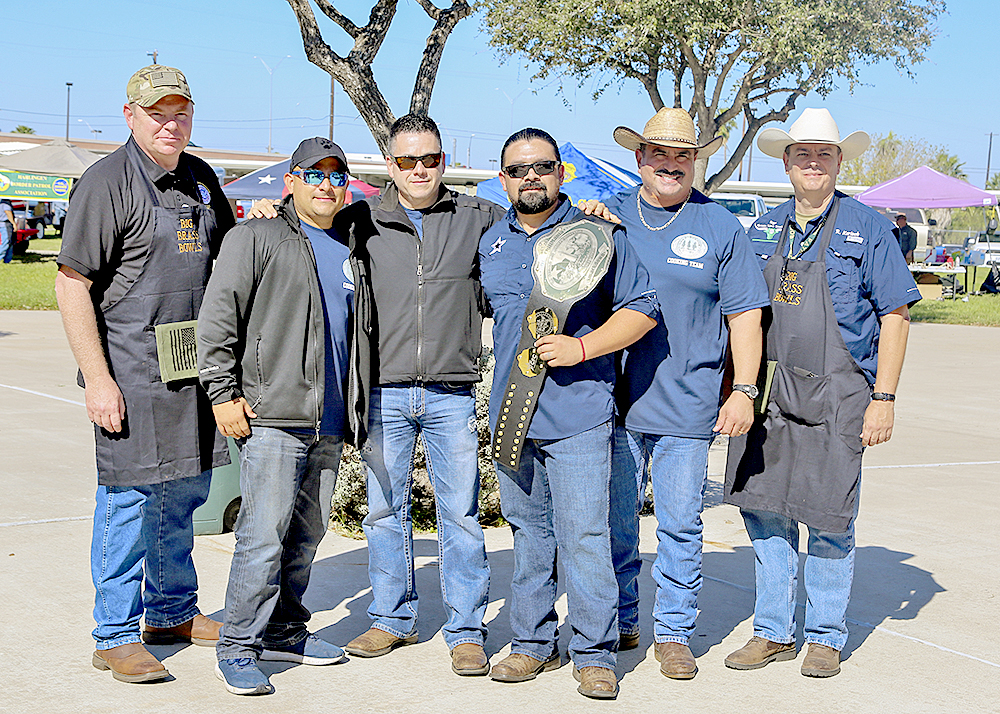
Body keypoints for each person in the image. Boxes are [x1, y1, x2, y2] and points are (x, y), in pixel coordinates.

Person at [723, 108, 920, 678]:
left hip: (840, 393)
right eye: (802, 153)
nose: (813, 162)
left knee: (830, 516)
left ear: (838, 162)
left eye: (824, 154)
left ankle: (827, 634)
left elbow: (897, 315)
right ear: (785, 162)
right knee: (765, 511)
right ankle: (772, 631)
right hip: (768, 392)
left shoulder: (870, 227)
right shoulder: (760, 228)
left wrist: (884, 398)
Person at [54, 64, 234, 683]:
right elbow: (72, 281)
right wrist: (97, 379)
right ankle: (113, 633)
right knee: (128, 501)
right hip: (129, 371)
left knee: (183, 493)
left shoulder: (202, 178)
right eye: (158, 111)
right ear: (130, 116)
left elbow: (226, 262)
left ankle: (173, 612)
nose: (171, 121)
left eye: (181, 110)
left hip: (191, 368)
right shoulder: (106, 183)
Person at [479, 128, 658, 699]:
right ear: (503, 177)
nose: (531, 177)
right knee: (529, 533)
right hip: (513, 416)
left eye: (543, 166)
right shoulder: (491, 243)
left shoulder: (598, 234)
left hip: (578, 411)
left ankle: (594, 653)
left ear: (562, 173)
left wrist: (582, 348)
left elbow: (644, 310)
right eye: (518, 169)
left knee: (585, 536)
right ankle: (532, 645)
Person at [605, 108, 769, 679]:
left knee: (680, 524)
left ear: (696, 161)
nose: (671, 165)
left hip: (688, 405)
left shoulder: (721, 226)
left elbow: (746, 316)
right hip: (614, 402)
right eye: (660, 154)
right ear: (640, 158)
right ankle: (621, 617)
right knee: (614, 520)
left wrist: (745, 389)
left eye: (683, 156)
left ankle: (673, 631)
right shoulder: (610, 215)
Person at [340, 113, 502, 676]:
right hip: (382, 388)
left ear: (443, 160)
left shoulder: (478, 218)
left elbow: (546, 229)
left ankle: (465, 629)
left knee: (459, 514)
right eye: (406, 160)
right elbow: (301, 227)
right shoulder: (360, 219)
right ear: (390, 164)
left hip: (451, 392)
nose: (418, 170)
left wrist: (595, 214)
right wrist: (269, 209)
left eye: (429, 159)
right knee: (386, 510)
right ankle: (392, 619)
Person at [198, 137, 354, 695]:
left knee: (307, 535)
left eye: (336, 176)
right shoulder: (255, 236)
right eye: (314, 174)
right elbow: (218, 319)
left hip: (330, 419)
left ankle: (286, 631)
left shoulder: (349, 241)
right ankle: (238, 644)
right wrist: (222, 393)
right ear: (291, 181)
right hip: (272, 415)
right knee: (261, 537)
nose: (326, 184)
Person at [0, 197, 15, 263]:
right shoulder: (5, 202)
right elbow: (8, 212)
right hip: (5, 224)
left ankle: (7, 260)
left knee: (10, 242)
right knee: (6, 242)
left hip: (3, 223)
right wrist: (13, 223)